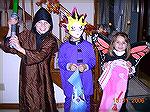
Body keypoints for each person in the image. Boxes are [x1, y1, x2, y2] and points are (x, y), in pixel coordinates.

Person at [0, 7, 58, 112]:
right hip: (28, 74)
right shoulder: (26, 34)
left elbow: (39, 55)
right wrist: (10, 28)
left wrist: (20, 48)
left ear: (50, 25)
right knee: (29, 99)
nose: (43, 26)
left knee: (45, 100)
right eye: (40, 22)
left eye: (46, 23)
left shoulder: (51, 40)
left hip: (43, 75)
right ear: (35, 23)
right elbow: (8, 47)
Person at [58, 8, 96, 112]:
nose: (78, 31)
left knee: (86, 99)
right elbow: (60, 62)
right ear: (68, 29)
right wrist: (68, 66)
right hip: (70, 79)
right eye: (74, 28)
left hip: (85, 79)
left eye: (80, 28)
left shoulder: (88, 46)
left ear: (83, 28)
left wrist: (86, 66)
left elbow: (93, 60)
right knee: (69, 99)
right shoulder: (64, 47)